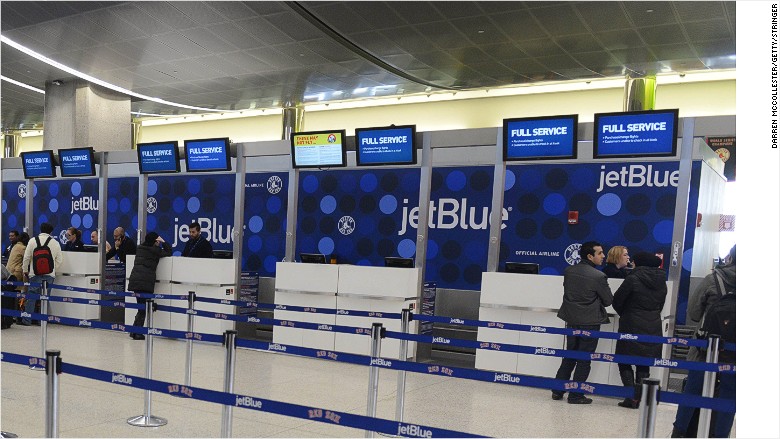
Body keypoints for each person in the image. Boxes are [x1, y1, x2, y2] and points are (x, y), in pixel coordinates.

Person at [672, 245, 736, 438]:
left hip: (705, 347)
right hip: (736, 352)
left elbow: (693, 313)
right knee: (730, 394)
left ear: (730, 258)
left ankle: (680, 432)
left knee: (693, 389)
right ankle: (721, 435)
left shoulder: (713, 279)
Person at [552, 241, 614, 404]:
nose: (603, 256)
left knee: (569, 355)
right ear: (590, 256)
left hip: (571, 319)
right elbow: (608, 301)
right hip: (590, 322)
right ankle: (576, 395)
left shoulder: (569, 270)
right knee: (584, 359)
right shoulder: (598, 276)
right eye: (600, 253)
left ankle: (557, 390)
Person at [612, 252, 668, 409]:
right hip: (653, 325)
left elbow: (617, 300)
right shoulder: (661, 281)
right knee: (644, 362)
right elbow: (660, 305)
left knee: (624, 360)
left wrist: (627, 313)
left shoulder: (633, 278)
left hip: (631, 323)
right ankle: (641, 398)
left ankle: (631, 398)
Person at [127, 232, 172, 340]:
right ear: (155, 241)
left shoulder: (140, 248)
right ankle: (137, 333)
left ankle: (134, 331)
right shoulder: (154, 250)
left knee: (140, 307)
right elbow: (169, 252)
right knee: (143, 309)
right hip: (145, 282)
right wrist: (163, 241)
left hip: (135, 281)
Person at [21, 223, 63, 326]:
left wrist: (25, 270)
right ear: (51, 232)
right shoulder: (55, 243)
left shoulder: (32, 241)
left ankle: (27, 320)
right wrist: (52, 269)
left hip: (34, 274)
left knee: (32, 297)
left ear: (40, 230)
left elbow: (26, 258)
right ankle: (42, 320)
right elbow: (60, 260)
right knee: (45, 297)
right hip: (49, 275)